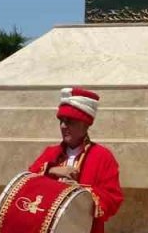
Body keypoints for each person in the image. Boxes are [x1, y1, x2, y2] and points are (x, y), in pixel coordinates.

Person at [27, 87, 123, 233]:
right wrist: (51, 170)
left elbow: (113, 198)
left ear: (85, 124)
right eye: (61, 121)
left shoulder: (103, 157)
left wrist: (78, 193)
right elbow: (27, 183)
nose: (63, 126)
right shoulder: (50, 153)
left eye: (70, 121)